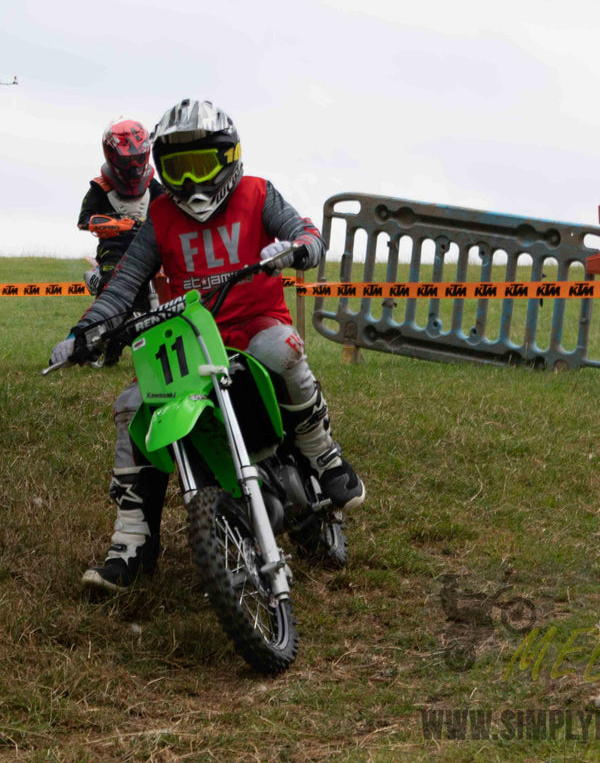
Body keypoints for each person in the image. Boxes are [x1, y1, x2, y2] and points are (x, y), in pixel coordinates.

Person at [51, 100, 366, 592]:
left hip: (256, 322)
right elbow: (124, 282)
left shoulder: (258, 193)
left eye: (204, 164)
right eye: (179, 168)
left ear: (230, 157)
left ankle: (323, 455)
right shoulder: (159, 214)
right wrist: (82, 333)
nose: (193, 181)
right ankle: (131, 543)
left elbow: (307, 233)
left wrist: (296, 249)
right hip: (189, 334)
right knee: (131, 405)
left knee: (283, 350)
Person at [77, 118, 164, 364]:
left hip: (148, 250)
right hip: (113, 250)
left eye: (138, 158)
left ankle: (145, 349)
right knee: (111, 292)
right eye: (127, 160)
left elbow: (169, 209)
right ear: (112, 156)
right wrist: (115, 223)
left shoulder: (152, 185)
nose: (134, 166)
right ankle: (90, 346)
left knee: (151, 303)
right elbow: (83, 219)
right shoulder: (100, 186)